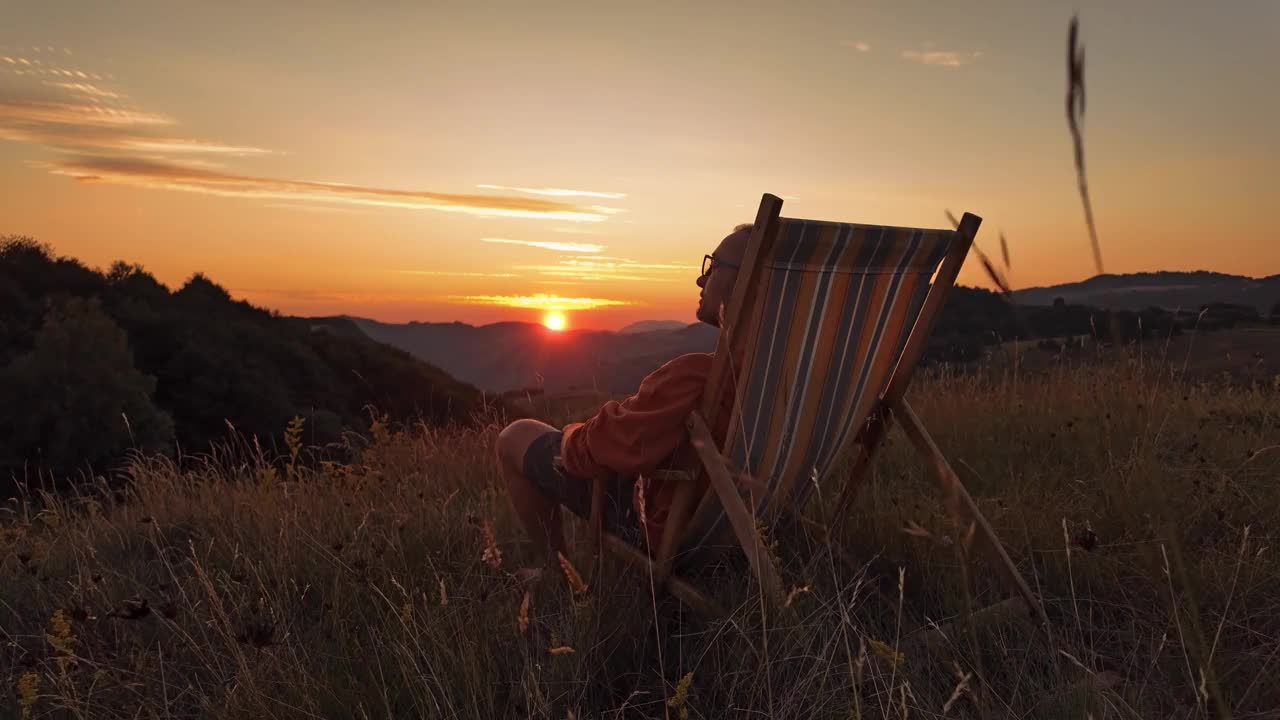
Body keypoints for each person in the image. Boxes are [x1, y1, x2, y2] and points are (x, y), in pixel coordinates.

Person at [494, 223, 753, 570]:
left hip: (672, 529)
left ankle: (559, 579)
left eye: (714, 265)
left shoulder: (697, 378)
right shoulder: (795, 383)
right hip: (752, 530)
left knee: (516, 435)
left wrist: (573, 433)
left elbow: (592, 453)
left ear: (749, 284)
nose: (701, 281)